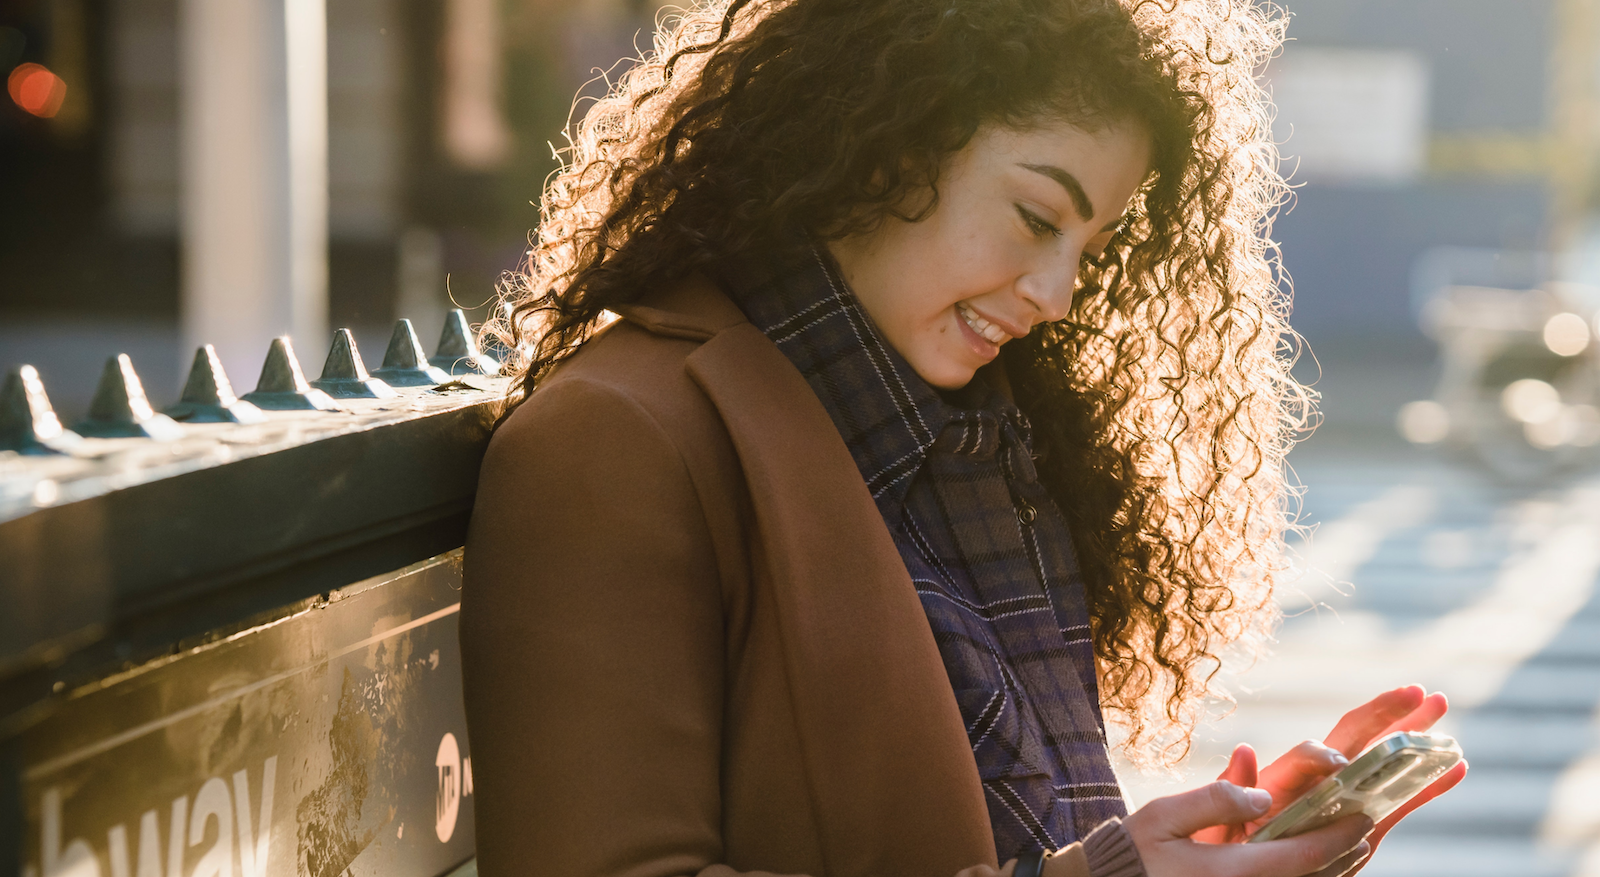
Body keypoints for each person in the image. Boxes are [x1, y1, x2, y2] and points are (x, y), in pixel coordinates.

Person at [459, 0, 1467, 875]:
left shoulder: (982, 448)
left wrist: (1220, 854)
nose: (1059, 293)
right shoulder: (621, 438)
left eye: (1093, 248)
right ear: (886, 147)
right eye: (1036, 218)